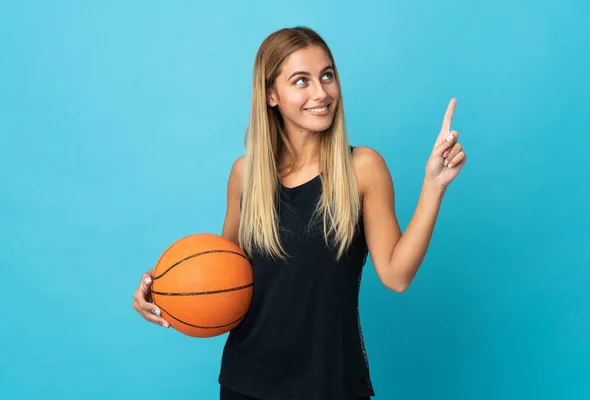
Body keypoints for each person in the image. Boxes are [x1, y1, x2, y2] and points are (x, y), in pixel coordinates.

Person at [132, 26, 467, 400]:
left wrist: (433, 186)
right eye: (301, 81)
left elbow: (397, 275)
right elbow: (219, 275)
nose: (320, 92)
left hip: (332, 382)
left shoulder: (362, 167)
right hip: (246, 382)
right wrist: (161, 288)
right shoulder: (246, 175)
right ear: (271, 95)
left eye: (327, 75)